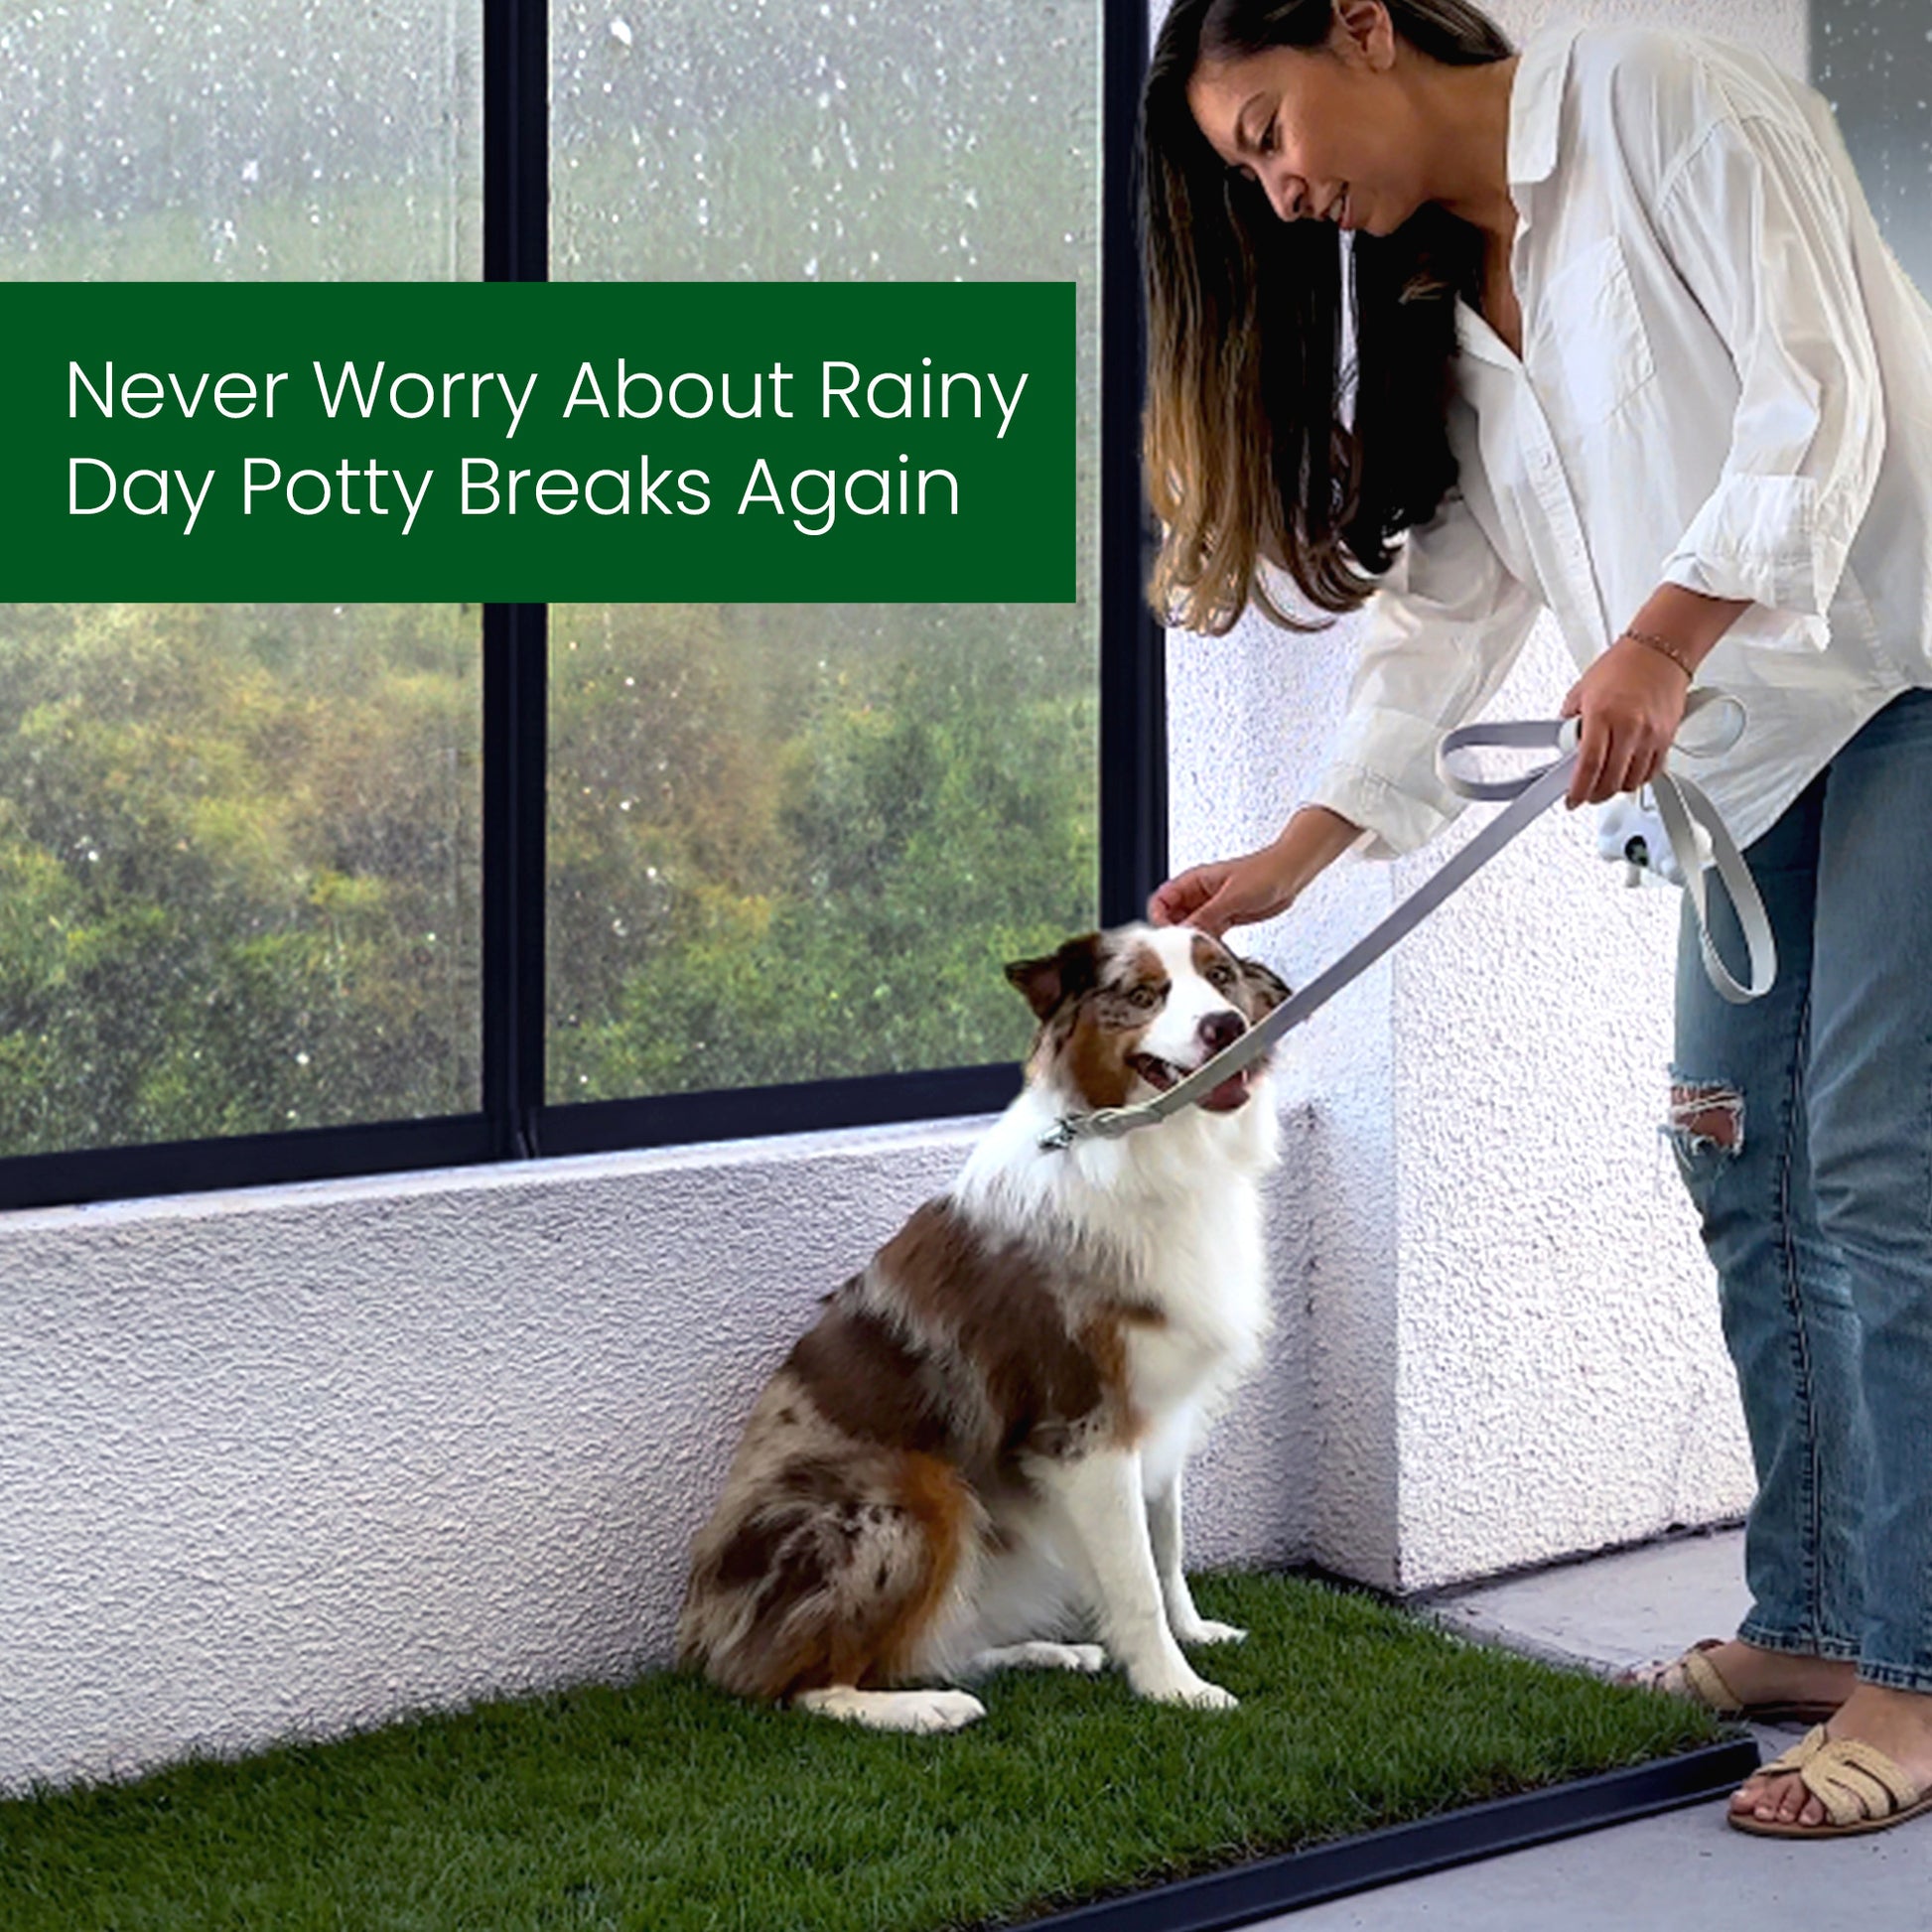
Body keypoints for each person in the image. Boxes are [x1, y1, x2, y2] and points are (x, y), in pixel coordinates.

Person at [1139, 0, 1932, 1839]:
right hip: (1749, 758)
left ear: (1358, 20)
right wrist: (1297, 855)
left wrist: (1653, 640)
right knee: (1740, 1161)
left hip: (1905, 681)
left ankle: (1914, 1667)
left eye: (1266, 129)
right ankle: (1810, 1619)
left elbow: (1819, 389)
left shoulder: (1663, 100)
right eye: (1246, 169)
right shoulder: (1441, 290)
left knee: (1879, 1175)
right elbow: (1450, 600)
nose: (1277, 185)